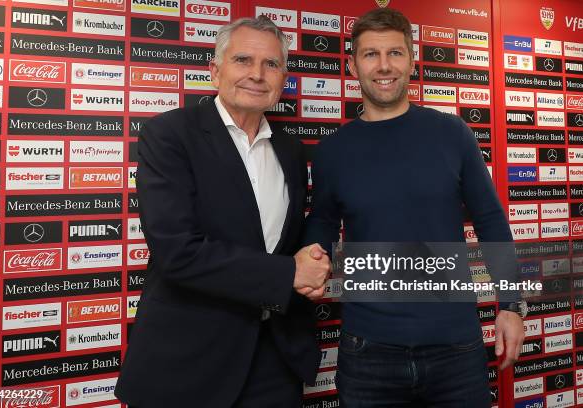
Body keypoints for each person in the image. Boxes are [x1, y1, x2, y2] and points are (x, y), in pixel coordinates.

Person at [304, 8, 525, 408]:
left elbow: (491, 221)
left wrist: (510, 305)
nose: (384, 66)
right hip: (367, 352)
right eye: (371, 54)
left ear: (412, 60)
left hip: (456, 349)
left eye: (395, 53)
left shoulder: (452, 133)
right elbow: (320, 220)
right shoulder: (333, 150)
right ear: (352, 65)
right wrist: (311, 251)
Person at [115, 16, 330, 407]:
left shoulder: (291, 150)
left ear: (283, 78)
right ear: (215, 71)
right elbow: (177, 251)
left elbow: (290, 242)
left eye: (271, 65)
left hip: (274, 361)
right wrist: (289, 274)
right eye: (243, 60)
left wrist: (312, 267)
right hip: (188, 363)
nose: (257, 74)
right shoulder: (169, 135)